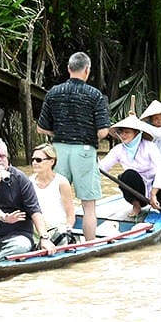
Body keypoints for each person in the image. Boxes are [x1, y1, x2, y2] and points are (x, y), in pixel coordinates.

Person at [37, 51, 111, 241]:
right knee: (88, 206)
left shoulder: (53, 92)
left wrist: (60, 133)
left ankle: (50, 239)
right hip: (85, 152)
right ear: (87, 70)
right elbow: (103, 132)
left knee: (57, 199)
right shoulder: (95, 95)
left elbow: (41, 128)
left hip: (57, 151)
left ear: (69, 69)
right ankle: (89, 246)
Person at [0, 136, 57, 262]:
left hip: (16, 237)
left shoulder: (20, 179)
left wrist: (44, 238)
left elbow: (35, 211)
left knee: (21, 247)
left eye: (2, 156)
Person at [99, 114, 161, 216]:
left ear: (136, 133)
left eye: (127, 132)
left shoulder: (149, 146)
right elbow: (102, 167)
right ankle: (136, 205)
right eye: (121, 132)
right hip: (137, 188)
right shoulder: (118, 149)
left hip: (156, 187)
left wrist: (153, 194)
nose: (123, 135)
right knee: (128, 175)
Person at [29, 143, 76, 245]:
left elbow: (70, 215)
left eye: (38, 160)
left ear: (51, 161)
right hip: (38, 229)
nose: (34, 163)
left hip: (57, 229)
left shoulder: (62, 182)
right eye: (32, 160)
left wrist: (67, 231)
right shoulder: (29, 182)